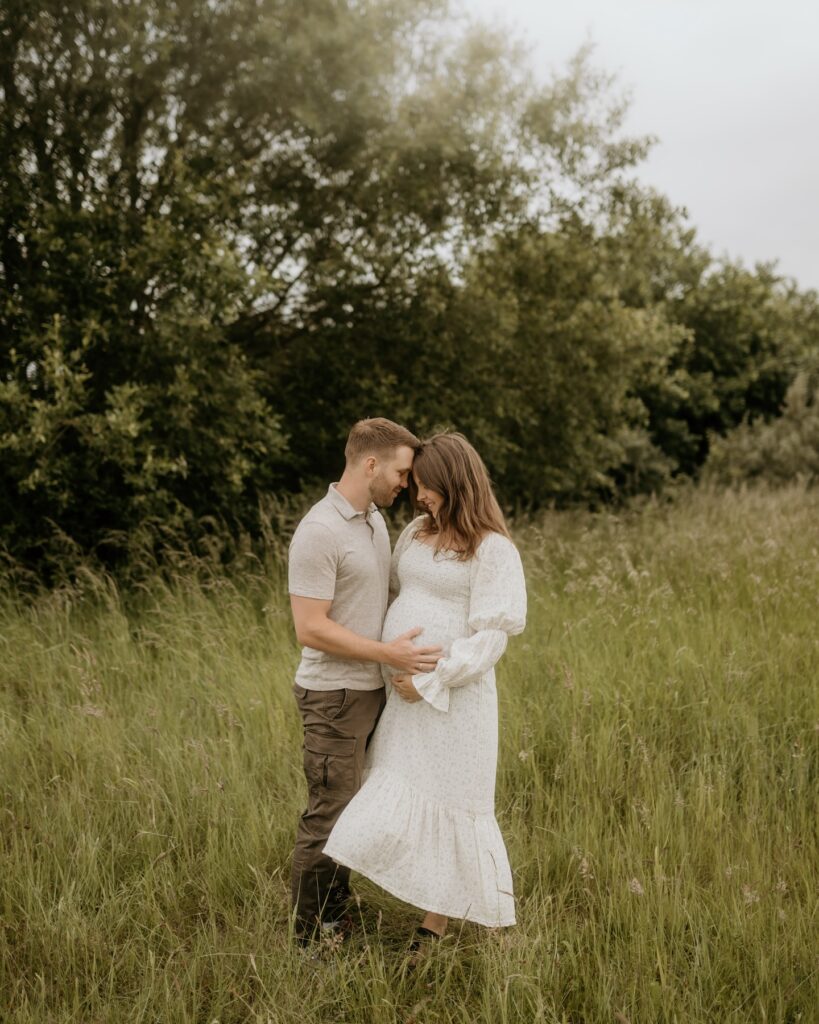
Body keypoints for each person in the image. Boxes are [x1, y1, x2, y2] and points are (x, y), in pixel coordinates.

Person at [324, 431, 527, 943]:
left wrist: (432, 677)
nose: (419, 495)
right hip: (405, 699)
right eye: (414, 484)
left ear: (455, 483)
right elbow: (396, 591)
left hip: (453, 703)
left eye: (427, 486)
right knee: (389, 797)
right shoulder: (415, 531)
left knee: (453, 803)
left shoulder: (492, 550)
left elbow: (490, 640)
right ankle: (372, 901)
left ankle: (432, 928)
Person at [288, 417, 443, 945]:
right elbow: (309, 627)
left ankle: (337, 916)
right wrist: (386, 652)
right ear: (371, 463)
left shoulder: (374, 520)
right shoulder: (319, 530)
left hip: (373, 691)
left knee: (356, 812)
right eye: (401, 471)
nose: (406, 482)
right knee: (329, 815)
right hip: (334, 696)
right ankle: (311, 939)